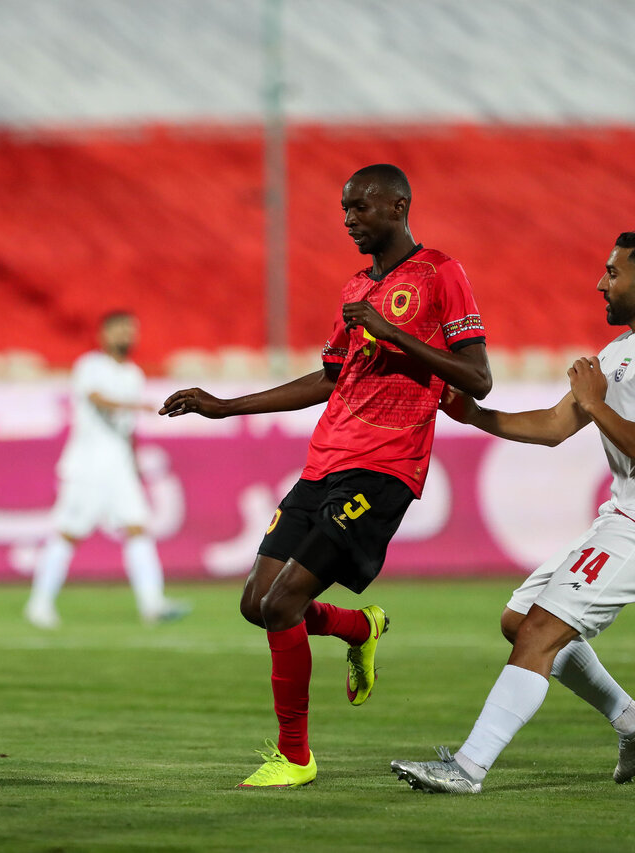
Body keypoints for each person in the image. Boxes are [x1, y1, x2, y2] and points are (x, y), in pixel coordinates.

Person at [161, 164, 492, 787]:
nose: (348, 220)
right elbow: (327, 379)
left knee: (285, 601)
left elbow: (477, 377)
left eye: (360, 207)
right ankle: (358, 626)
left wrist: (394, 335)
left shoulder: (442, 273)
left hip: (385, 467)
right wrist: (225, 405)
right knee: (257, 604)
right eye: (344, 209)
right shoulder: (354, 289)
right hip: (325, 462)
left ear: (397, 207)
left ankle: (295, 758)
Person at [391, 230, 635, 793]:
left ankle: (467, 768)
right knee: (519, 621)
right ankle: (633, 722)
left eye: (613, 273)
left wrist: (594, 402)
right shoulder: (619, 351)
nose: (601, 283)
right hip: (624, 517)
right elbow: (555, 426)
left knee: (539, 630)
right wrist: (473, 414)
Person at [25, 310, 189, 628]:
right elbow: (96, 398)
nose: (127, 336)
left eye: (132, 330)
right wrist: (134, 406)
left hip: (119, 470)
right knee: (68, 533)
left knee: (138, 528)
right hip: (87, 467)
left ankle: (152, 604)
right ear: (105, 335)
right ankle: (39, 604)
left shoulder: (134, 374)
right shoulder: (90, 365)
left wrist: (134, 464)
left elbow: (127, 430)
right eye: (120, 330)